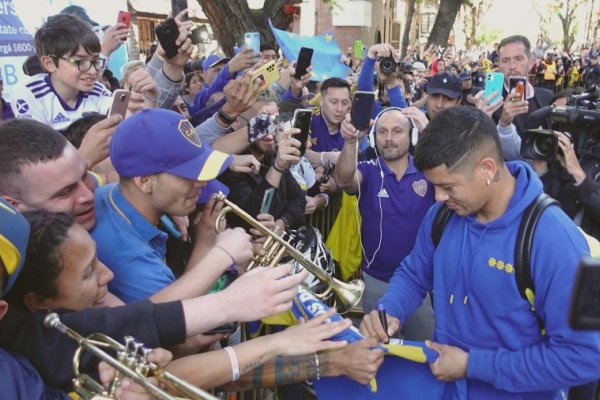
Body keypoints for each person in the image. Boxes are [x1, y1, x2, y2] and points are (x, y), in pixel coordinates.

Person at [359, 106, 600, 399]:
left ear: (487, 169)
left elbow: (587, 356)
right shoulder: (442, 216)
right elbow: (413, 272)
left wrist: (474, 365)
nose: (438, 197)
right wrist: (390, 310)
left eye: (447, 186)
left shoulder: (562, 242)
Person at [91, 108, 259, 303]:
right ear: (144, 181)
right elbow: (178, 319)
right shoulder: (133, 262)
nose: (203, 183)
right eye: (190, 174)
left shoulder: (112, 194)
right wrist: (209, 247)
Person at [0, 198, 160, 399]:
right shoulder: (17, 375)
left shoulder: (18, 375)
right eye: (87, 273)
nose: (109, 274)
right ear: (39, 303)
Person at [336, 108, 435, 340]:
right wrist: (350, 142)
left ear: (411, 136)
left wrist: (429, 132)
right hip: (377, 281)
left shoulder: (428, 172)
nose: (389, 138)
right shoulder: (369, 170)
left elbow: (456, 170)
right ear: (374, 137)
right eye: (382, 132)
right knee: (381, 350)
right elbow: (343, 179)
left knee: (425, 349)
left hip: (421, 282)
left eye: (397, 131)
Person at [10, 15, 154, 131]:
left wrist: (149, 98)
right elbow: (38, 159)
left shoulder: (97, 92)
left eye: (96, 61)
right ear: (50, 63)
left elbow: (131, 124)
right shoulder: (29, 94)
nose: (93, 71)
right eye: (80, 62)